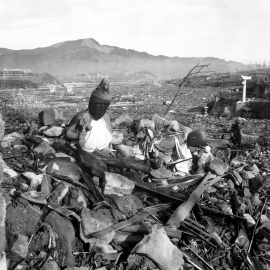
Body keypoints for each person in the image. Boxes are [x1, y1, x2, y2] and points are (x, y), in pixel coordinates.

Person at [66, 79, 119, 153]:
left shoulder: (105, 117)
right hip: (86, 148)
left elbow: (109, 131)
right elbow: (68, 133)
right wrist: (79, 135)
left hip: (103, 146)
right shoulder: (81, 116)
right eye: (98, 105)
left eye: (104, 107)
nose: (101, 109)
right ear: (91, 103)